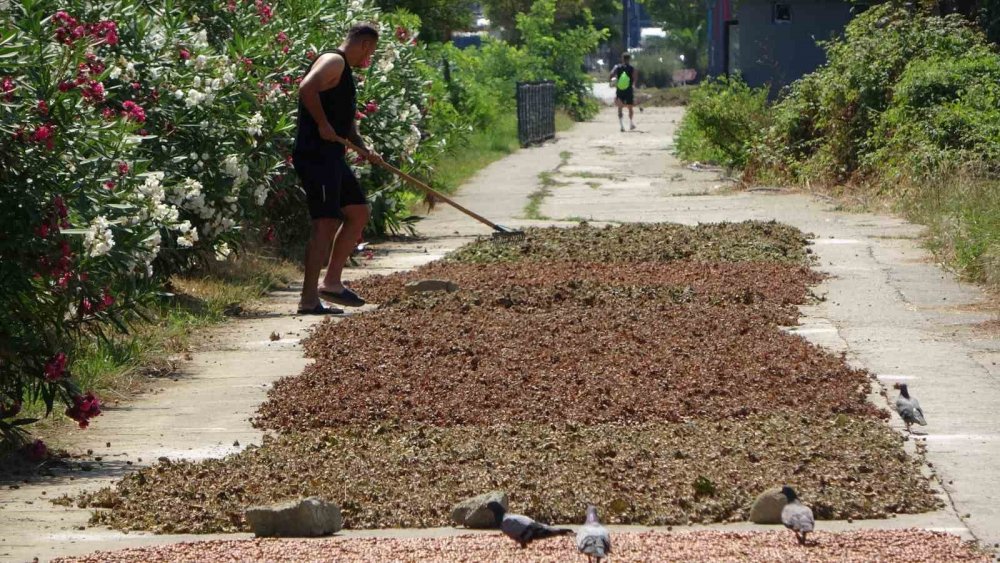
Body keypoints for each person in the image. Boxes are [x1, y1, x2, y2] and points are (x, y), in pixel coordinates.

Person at [293, 22, 383, 315]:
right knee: (326, 223)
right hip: (316, 154)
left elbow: (343, 119)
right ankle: (308, 300)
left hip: (333, 155)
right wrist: (321, 124)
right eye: (371, 52)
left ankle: (331, 283)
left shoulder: (345, 72)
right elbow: (306, 88)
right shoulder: (334, 61)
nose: (367, 59)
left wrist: (363, 147)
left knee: (357, 211)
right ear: (366, 44)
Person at [609, 53, 637, 132]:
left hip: (620, 89)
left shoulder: (617, 67)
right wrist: (633, 85)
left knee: (620, 107)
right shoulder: (631, 68)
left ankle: (622, 126)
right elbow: (634, 77)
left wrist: (612, 81)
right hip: (628, 89)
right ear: (629, 59)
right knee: (630, 107)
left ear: (622, 59)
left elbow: (611, 74)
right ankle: (631, 124)